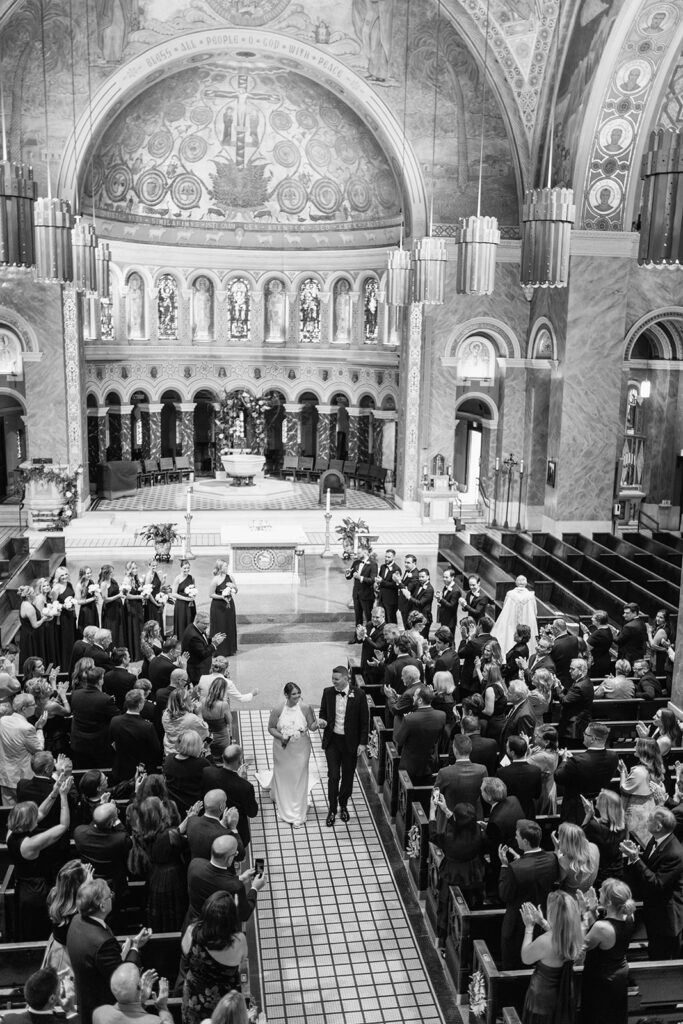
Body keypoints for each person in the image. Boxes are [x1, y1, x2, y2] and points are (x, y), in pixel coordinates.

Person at [67, 879, 149, 1024]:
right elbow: (123, 979)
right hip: (103, 1011)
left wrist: (120, 953)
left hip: (85, 1001)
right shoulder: (103, 944)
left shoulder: (76, 921)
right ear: (102, 906)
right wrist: (135, 948)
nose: (112, 895)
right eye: (109, 894)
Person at [7, 782, 72, 939]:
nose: (39, 817)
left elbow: (41, 811)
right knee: (38, 928)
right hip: (35, 890)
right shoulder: (30, 844)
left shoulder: (11, 831)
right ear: (28, 822)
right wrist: (63, 796)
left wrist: (54, 792)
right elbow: (63, 826)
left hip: (23, 883)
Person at [621, 807, 683, 959]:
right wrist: (634, 855)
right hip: (655, 913)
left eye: (649, 820)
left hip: (667, 920)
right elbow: (649, 866)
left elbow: (657, 883)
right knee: (654, 952)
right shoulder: (655, 841)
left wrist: (636, 859)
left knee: (664, 962)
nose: (646, 821)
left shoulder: (674, 853)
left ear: (658, 826)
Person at [499, 819, 560, 969]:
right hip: (544, 917)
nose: (515, 838)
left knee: (515, 963)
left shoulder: (514, 868)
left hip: (519, 922)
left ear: (525, 841)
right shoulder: (552, 859)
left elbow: (504, 894)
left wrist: (504, 866)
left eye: (517, 836)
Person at [181, 892, 248, 1024]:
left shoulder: (192, 931)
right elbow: (243, 958)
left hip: (194, 996)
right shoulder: (239, 940)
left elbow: (184, 951)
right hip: (223, 1001)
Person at [429, 796, 486, 947]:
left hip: (452, 874)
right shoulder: (478, 832)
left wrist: (432, 811)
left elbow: (433, 835)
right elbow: (460, 823)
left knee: (446, 906)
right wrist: (446, 810)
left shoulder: (449, 839)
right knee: (470, 903)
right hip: (473, 873)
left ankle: (443, 941)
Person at [519, 891, 582, 1024]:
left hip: (541, 1000)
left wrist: (529, 928)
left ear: (552, 915)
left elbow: (526, 957)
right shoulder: (576, 936)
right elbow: (559, 936)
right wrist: (543, 923)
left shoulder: (545, 941)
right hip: (563, 996)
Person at [579, 878, 636, 1024]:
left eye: (602, 892)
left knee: (597, 1017)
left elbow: (580, 947)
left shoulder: (602, 927)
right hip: (619, 977)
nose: (598, 891)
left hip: (600, 981)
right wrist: (592, 910)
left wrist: (583, 913)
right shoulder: (630, 917)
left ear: (609, 902)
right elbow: (603, 934)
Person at [263, 682, 320, 828]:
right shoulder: (278, 709)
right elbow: (271, 728)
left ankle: (298, 812)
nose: (297, 696)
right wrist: (282, 736)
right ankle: (283, 799)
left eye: (298, 693)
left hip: (301, 749)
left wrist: (319, 724)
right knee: (284, 776)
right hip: (282, 750)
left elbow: (312, 727)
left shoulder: (306, 708)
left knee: (299, 776)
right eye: (294, 694)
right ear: (286, 695)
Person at [319, 665, 369, 826]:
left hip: (350, 742)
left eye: (336, 679)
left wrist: (362, 743)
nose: (333, 682)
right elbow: (323, 713)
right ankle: (332, 809)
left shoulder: (359, 694)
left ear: (346, 679)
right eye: (332, 679)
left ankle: (343, 805)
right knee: (333, 776)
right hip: (333, 740)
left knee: (348, 776)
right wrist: (322, 722)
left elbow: (364, 721)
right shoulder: (327, 692)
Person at [133, 795, 189, 931]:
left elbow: (175, 833)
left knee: (161, 913)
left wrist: (189, 818)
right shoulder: (168, 835)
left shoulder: (139, 833)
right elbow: (180, 838)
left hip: (155, 875)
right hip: (173, 877)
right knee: (175, 910)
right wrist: (190, 817)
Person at [186, 835, 264, 925]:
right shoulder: (236, 887)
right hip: (217, 930)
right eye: (235, 853)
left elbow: (214, 882)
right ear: (229, 858)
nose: (236, 854)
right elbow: (245, 914)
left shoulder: (195, 864)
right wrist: (255, 888)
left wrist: (240, 878)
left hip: (192, 923)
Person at [555, 722, 618, 824]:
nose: (583, 735)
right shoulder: (613, 756)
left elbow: (559, 777)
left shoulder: (577, 761)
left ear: (592, 738)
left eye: (585, 733)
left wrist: (565, 760)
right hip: (600, 808)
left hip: (576, 810)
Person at [201, 745, 258, 850]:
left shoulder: (207, 772)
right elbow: (252, 812)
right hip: (236, 828)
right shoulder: (245, 787)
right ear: (239, 762)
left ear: (223, 757)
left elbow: (215, 771)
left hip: (212, 824)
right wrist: (243, 780)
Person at [73, 801, 131, 903]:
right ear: (111, 822)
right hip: (113, 883)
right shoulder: (120, 839)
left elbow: (97, 822)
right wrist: (116, 820)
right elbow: (125, 837)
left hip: (89, 879)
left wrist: (101, 809)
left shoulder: (79, 833)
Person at [46, 859, 93, 978]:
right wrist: (90, 888)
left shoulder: (55, 894)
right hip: (66, 956)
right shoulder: (77, 912)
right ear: (78, 887)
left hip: (58, 948)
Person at [0, 692, 47, 805]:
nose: (35, 706)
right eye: (33, 705)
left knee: (10, 815)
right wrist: (39, 728)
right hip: (22, 778)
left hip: (5, 775)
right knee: (25, 814)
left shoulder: (2, 720)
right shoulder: (27, 728)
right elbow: (39, 749)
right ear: (24, 708)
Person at [392, 684, 445, 784]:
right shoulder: (441, 715)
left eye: (415, 696)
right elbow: (439, 737)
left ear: (420, 700)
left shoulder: (410, 719)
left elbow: (399, 740)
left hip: (411, 766)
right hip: (430, 764)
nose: (413, 697)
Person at [619, 736, 665, 846]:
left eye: (636, 745)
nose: (634, 747)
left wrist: (622, 772)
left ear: (643, 750)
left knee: (635, 846)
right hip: (648, 810)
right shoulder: (656, 767)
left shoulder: (639, 771)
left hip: (636, 816)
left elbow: (624, 789)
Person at [110, 689, 162, 784]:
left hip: (121, 768)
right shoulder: (147, 727)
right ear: (140, 705)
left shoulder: (115, 721)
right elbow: (156, 749)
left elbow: (112, 742)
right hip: (141, 770)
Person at [70, 666, 117, 769]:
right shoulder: (105, 699)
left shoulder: (75, 694)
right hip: (99, 745)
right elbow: (116, 717)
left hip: (79, 743)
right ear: (100, 681)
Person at [93, 963, 173, 1024]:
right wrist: (162, 1008)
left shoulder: (99, 1013)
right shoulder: (154, 1022)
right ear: (140, 987)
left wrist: (140, 1000)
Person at [482, 778, 524, 887]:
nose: (480, 792)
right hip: (519, 846)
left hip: (507, 856)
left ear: (489, 797)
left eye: (482, 790)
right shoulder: (513, 799)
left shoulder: (496, 821)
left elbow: (493, 844)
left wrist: (487, 831)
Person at [0, 967, 78, 1024]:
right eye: (59, 986)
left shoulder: (8, 1020)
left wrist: (49, 980)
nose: (61, 987)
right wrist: (70, 1010)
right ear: (52, 998)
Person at [580, 789, 626, 885]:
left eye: (599, 798)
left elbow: (578, 836)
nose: (596, 798)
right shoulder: (622, 826)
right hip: (618, 873)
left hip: (600, 875)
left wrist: (588, 815)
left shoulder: (594, 827)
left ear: (604, 806)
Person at [435, 734, 487, 818]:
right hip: (474, 819)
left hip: (449, 820)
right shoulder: (482, 770)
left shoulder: (444, 772)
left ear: (455, 750)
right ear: (471, 749)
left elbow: (435, 797)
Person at [163, 731, 210, 817]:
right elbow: (213, 775)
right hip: (193, 809)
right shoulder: (202, 763)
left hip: (172, 808)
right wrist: (208, 755)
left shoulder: (169, 759)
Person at [186, 790, 243, 862]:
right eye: (225, 802)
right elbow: (240, 855)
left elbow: (209, 830)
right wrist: (233, 827)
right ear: (222, 807)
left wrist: (222, 823)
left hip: (196, 867)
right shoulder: (225, 834)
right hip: (218, 872)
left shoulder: (192, 820)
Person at [492, 576, 538, 656]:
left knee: (510, 637)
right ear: (526, 583)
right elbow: (534, 612)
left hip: (511, 620)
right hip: (526, 621)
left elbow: (504, 608)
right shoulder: (530, 596)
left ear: (516, 583)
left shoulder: (510, 594)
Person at [498, 736, 542, 819]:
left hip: (509, 812)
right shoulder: (536, 770)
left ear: (512, 752)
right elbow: (537, 795)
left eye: (507, 747)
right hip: (528, 812)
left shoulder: (501, 772)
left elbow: (501, 796)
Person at [554, 821, 599, 894]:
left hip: (569, 902)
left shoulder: (564, 862)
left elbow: (556, 883)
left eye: (560, 837)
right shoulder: (594, 848)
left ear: (566, 843)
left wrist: (556, 850)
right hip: (588, 898)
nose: (558, 840)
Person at [182, 611, 226, 686]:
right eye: (204, 624)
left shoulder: (194, 627)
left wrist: (212, 639)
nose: (207, 626)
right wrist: (215, 643)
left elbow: (202, 641)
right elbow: (203, 653)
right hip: (197, 670)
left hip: (200, 667)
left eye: (208, 623)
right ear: (197, 621)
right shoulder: (193, 636)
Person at [162, 689, 209, 756]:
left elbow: (181, 721)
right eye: (189, 697)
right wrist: (199, 713)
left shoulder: (165, 714)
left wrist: (189, 708)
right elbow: (205, 732)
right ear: (184, 702)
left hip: (169, 752)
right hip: (185, 754)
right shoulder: (192, 718)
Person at [556, 658, 593, 745]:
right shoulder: (585, 681)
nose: (569, 671)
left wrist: (556, 687)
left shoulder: (579, 686)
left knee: (570, 752)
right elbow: (572, 696)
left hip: (573, 727)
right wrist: (562, 689)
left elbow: (565, 701)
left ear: (580, 670)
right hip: (579, 723)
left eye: (572, 669)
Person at [209, 559, 238, 657]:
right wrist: (222, 597)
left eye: (227, 566)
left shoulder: (230, 577)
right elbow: (211, 594)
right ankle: (219, 650)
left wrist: (233, 586)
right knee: (219, 626)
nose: (227, 568)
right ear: (220, 568)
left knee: (229, 625)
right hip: (218, 606)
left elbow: (236, 590)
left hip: (229, 605)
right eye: (225, 566)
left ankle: (230, 649)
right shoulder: (215, 579)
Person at [527, 725, 559, 814]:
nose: (535, 737)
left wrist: (526, 748)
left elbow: (522, 766)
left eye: (538, 736)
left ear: (547, 741)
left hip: (542, 792)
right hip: (548, 786)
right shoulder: (553, 749)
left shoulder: (543, 756)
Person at [499, 680, 536, 751]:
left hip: (512, 755)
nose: (506, 693)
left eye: (509, 692)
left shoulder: (524, 716)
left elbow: (522, 744)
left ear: (517, 697)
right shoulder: (520, 704)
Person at [52, 568, 77, 670]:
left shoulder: (70, 584)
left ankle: (72, 662)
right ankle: (65, 665)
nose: (65, 577)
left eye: (66, 574)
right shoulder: (56, 588)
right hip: (62, 618)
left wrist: (73, 604)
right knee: (65, 640)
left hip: (71, 616)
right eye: (62, 575)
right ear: (58, 577)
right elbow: (54, 604)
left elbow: (73, 597)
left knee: (72, 639)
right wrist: (64, 606)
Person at [18, 584, 46, 669]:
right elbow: (35, 625)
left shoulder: (24, 603)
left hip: (25, 633)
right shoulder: (29, 607)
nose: (36, 594)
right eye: (34, 593)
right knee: (32, 657)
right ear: (29, 596)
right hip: (31, 636)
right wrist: (44, 619)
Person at [121, 562, 145, 661]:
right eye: (133, 568)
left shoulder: (135, 578)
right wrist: (139, 596)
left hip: (138, 605)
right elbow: (127, 595)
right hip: (131, 606)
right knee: (134, 628)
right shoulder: (127, 579)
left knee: (139, 628)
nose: (135, 570)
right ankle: (134, 653)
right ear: (129, 569)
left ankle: (141, 651)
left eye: (136, 568)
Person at [480, 663, 508, 744]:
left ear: (490, 674)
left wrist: (477, 709)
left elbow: (489, 712)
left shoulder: (490, 689)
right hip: (502, 721)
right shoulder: (501, 683)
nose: (482, 673)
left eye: (484, 671)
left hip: (493, 725)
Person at [200, 676, 233, 745]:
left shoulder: (202, 700)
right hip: (222, 738)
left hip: (208, 737)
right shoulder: (223, 705)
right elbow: (229, 721)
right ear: (223, 690)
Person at [580, 611, 613, 677]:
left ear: (598, 621)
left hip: (597, 663)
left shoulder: (599, 633)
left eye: (593, 618)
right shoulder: (608, 629)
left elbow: (586, 647)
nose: (591, 619)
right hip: (605, 659)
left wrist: (585, 633)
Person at [99, 565, 124, 649]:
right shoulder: (104, 584)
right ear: (106, 573)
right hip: (110, 609)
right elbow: (105, 599)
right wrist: (118, 596)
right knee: (112, 628)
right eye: (111, 572)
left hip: (117, 607)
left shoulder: (113, 581)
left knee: (118, 628)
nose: (113, 574)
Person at [375, 549, 401, 624]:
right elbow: (380, 579)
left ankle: (393, 635)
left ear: (393, 557)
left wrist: (381, 582)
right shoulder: (383, 567)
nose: (386, 559)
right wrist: (377, 585)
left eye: (389, 557)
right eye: (386, 556)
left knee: (391, 620)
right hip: (382, 598)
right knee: (382, 619)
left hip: (391, 600)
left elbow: (395, 585)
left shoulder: (397, 569)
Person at [173, 560, 197, 638]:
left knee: (190, 621)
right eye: (184, 568)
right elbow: (174, 593)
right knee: (182, 622)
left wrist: (193, 595)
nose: (186, 570)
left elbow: (194, 589)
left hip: (190, 605)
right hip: (181, 605)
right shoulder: (177, 578)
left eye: (188, 568)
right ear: (181, 568)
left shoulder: (192, 578)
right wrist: (185, 599)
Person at [396, 554, 419, 628]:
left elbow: (407, 590)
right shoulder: (407, 571)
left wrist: (398, 581)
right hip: (403, 604)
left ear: (414, 563)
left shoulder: (415, 575)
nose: (405, 564)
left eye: (408, 563)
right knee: (405, 626)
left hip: (409, 606)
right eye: (405, 562)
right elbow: (404, 583)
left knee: (408, 627)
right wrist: (399, 580)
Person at [435, 567, 460, 633]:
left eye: (446, 577)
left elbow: (452, 606)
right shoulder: (445, 587)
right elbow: (444, 600)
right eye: (443, 577)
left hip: (450, 621)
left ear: (452, 577)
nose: (444, 579)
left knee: (449, 640)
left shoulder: (456, 591)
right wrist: (439, 598)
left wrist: (441, 599)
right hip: (444, 618)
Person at [77, 566, 100, 634]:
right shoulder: (79, 585)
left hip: (93, 608)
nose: (90, 574)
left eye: (90, 573)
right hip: (85, 610)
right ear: (83, 575)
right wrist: (92, 599)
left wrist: (96, 598)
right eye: (87, 573)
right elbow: (79, 602)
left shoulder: (92, 582)